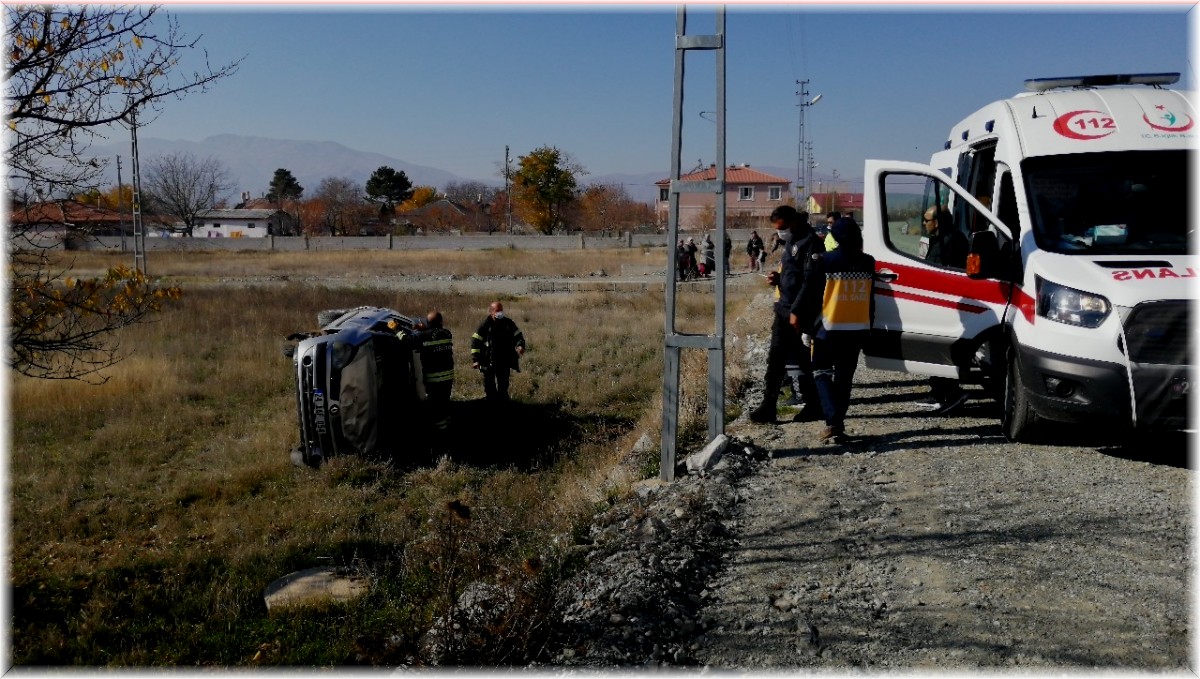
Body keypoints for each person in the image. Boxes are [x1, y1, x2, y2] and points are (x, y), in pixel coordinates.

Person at [798, 218, 876, 443]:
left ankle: (833, 422)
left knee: (821, 372)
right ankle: (837, 422)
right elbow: (871, 299)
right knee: (844, 378)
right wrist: (870, 324)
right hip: (858, 328)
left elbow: (813, 296)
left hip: (829, 328)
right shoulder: (868, 262)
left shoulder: (825, 260)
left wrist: (807, 328)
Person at [749, 205, 825, 424]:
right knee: (775, 360)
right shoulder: (791, 242)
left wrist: (798, 311)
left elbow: (811, 281)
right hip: (783, 310)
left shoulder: (812, 243)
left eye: (782, 228)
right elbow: (793, 277)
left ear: (793, 222)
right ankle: (768, 407)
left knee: (804, 362)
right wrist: (778, 279)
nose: (780, 232)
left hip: (800, 314)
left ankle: (814, 406)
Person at [916, 206, 971, 415]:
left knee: (941, 350)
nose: (924, 224)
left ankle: (951, 393)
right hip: (941, 305)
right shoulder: (946, 239)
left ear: (937, 222)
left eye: (926, 220)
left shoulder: (949, 242)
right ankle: (938, 392)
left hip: (945, 306)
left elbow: (936, 273)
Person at [470, 301, 526, 402]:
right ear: (491, 312)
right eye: (497, 311)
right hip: (488, 360)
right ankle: (491, 403)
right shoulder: (485, 325)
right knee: (489, 385)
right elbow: (475, 342)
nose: (500, 313)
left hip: (504, 360)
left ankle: (503, 403)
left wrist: (520, 345)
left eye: (501, 310)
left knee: (503, 385)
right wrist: (476, 359)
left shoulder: (508, 323)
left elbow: (518, 336)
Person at [409, 310, 455, 432]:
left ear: (427, 323)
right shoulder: (447, 333)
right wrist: (424, 329)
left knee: (436, 406)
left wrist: (396, 329)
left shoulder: (422, 336)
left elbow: (406, 340)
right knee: (445, 401)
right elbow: (433, 333)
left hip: (434, 378)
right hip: (448, 376)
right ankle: (448, 422)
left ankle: (441, 433)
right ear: (441, 322)